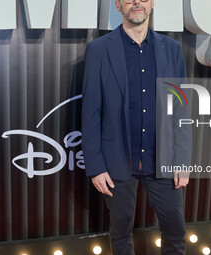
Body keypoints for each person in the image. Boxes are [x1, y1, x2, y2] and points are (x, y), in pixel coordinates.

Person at [81, 0, 190, 254]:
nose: (136, 2)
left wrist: (183, 160)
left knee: (175, 230)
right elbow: (90, 113)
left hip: (163, 160)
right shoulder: (99, 50)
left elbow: (181, 110)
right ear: (118, 5)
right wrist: (95, 166)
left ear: (151, 3)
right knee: (120, 233)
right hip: (116, 162)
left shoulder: (172, 50)